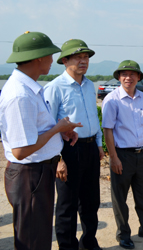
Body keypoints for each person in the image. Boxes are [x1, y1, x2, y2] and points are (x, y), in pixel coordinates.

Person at [0, 31, 81, 250]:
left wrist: (59, 132)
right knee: (33, 241)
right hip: (30, 176)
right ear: (39, 58)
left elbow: (33, 131)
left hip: (37, 174)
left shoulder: (29, 88)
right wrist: (57, 128)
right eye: (50, 55)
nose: (52, 61)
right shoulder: (20, 95)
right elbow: (20, 150)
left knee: (39, 236)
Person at [44, 39, 103, 250]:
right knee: (67, 204)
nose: (83, 61)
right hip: (68, 150)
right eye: (78, 57)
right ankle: (67, 246)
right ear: (64, 60)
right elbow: (49, 127)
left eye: (86, 57)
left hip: (89, 148)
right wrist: (58, 159)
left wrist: (98, 144)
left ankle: (89, 242)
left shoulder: (89, 85)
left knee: (91, 201)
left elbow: (93, 118)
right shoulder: (54, 88)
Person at [102, 60, 143, 249]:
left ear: (138, 77)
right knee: (120, 197)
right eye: (124, 74)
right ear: (119, 78)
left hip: (142, 154)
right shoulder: (112, 99)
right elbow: (108, 131)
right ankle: (123, 234)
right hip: (122, 155)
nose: (128, 78)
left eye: (132, 74)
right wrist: (113, 157)